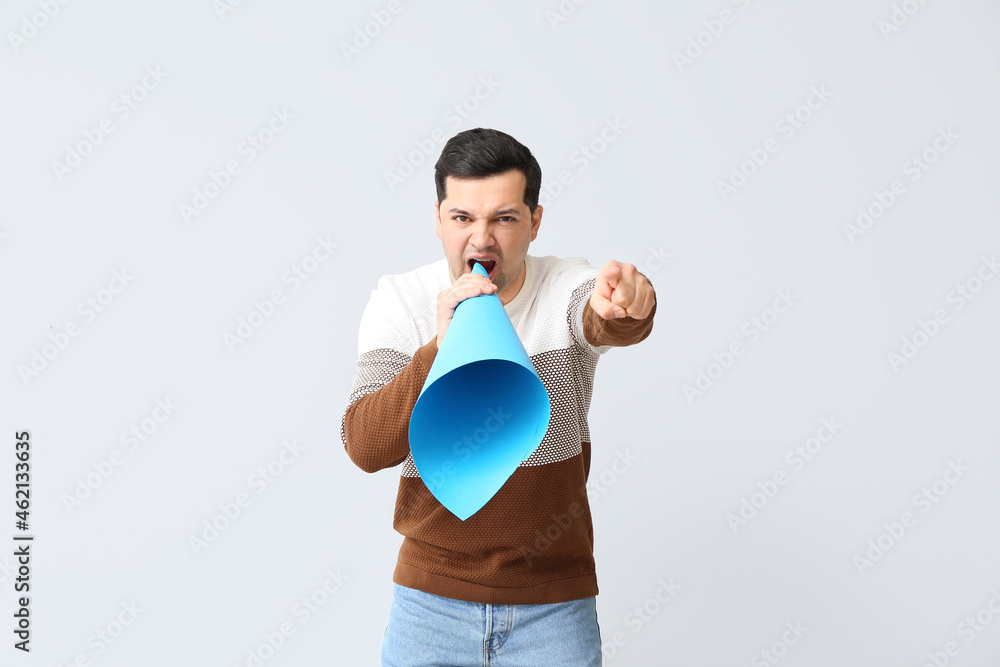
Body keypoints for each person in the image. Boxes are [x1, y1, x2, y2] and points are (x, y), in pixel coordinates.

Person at [340, 127, 657, 666]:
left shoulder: (564, 287)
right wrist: (438, 346)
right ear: (438, 218)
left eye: (504, 218)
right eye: (463, 218)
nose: (481, 239)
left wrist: (627, 307)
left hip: (554, 611)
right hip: (429, 608)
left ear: (534, 222)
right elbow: (366, 446)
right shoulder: (401, 299)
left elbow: (601, 319)